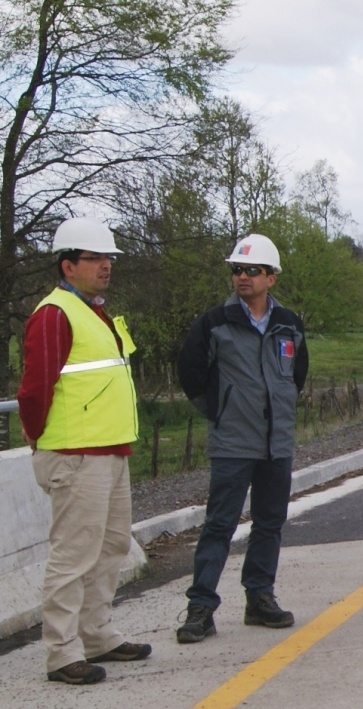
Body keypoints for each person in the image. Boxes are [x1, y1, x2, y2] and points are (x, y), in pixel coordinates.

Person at [16, 217, 151, 684]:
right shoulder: (54, 314)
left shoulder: (93, 312)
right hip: (76, 454)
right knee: (73, 555)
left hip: (109, 451)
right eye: (94, 259)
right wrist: (39, 439)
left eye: (108, 258)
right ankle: (61, 652)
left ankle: (97, 634)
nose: (105, 266)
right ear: (67, 265)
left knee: (112, 546)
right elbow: (35, 390)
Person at [175, 233, 308, 643]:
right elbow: (191, 375)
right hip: (233, 442)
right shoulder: (215, 322)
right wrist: (221, 410)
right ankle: (201, 607)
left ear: (272, 277)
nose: (242, 277)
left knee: (270, 523)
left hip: (276, 443)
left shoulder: (289, 324)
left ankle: (260, 598)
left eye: (252, 270)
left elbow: (297, 377)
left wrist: (279, 411)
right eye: (237, 270)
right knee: (220, 525)